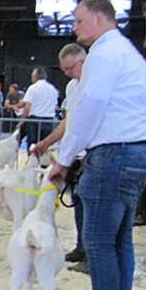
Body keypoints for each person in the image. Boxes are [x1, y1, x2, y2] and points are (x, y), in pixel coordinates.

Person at [48, 0, 146, 290]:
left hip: (113, 156)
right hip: (137, 152)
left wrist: (65, 159)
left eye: (79, 21)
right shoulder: (128, 53)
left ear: (99, 18)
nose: (74, 28)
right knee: (120, 242)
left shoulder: (103, 55)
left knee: (99, 245)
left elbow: (88, 110)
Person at [33, 43, 88, 274]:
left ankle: (91, 254)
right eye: (64, 69)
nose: (66, 73)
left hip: (90, 153)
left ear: (83, 62)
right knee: (78, 201)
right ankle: (82, 247)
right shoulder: (73, 86)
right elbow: (69, 121)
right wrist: (47, 142)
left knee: (89, 205)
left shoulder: (96, 84)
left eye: (69, 68)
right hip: (75, 154)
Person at [20, 67, 58, 148]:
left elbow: (27, 106)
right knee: (45, 145)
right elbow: (55, 106)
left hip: (34, 120)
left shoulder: (32, 88)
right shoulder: (53, 89)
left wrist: (23, 119)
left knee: (32, 145)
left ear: (35, 77)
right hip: (49, 120)